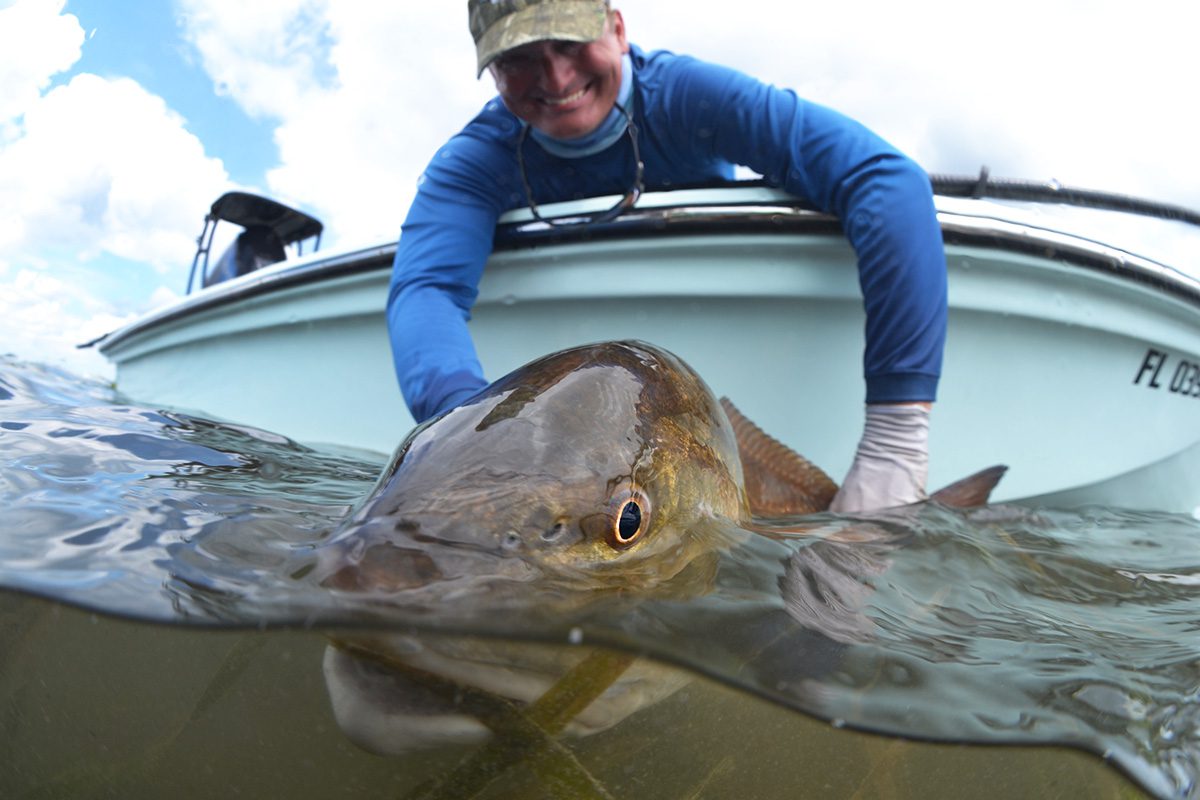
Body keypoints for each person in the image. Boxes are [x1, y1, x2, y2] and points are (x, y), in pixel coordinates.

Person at [387, 0, 947, 512]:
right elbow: (427, 288)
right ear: (491, 70)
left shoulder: (689, 97)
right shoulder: (473, 162)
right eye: (518, 57)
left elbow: (887, 182)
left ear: (618, 29)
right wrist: (475, 431)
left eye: (570, 42)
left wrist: (894, 439)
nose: (555, 78)